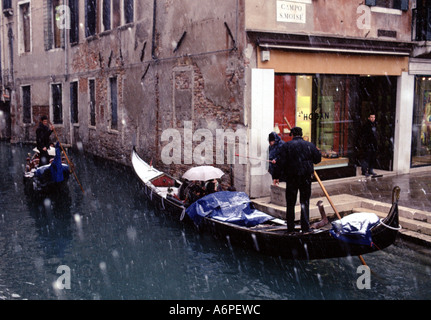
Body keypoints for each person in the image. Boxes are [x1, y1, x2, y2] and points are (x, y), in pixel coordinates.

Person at [272, 127, 321, 233]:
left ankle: (290, 228)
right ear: (301, 134)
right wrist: (317, 152)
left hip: (292, 177)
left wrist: (276, 176)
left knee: (290, 203)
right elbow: (317, 159)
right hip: (306, 177)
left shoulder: (287, 146)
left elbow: (280, 162)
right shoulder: (310, 145)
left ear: (292, 135)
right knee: (305, 202)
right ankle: (305, 228)